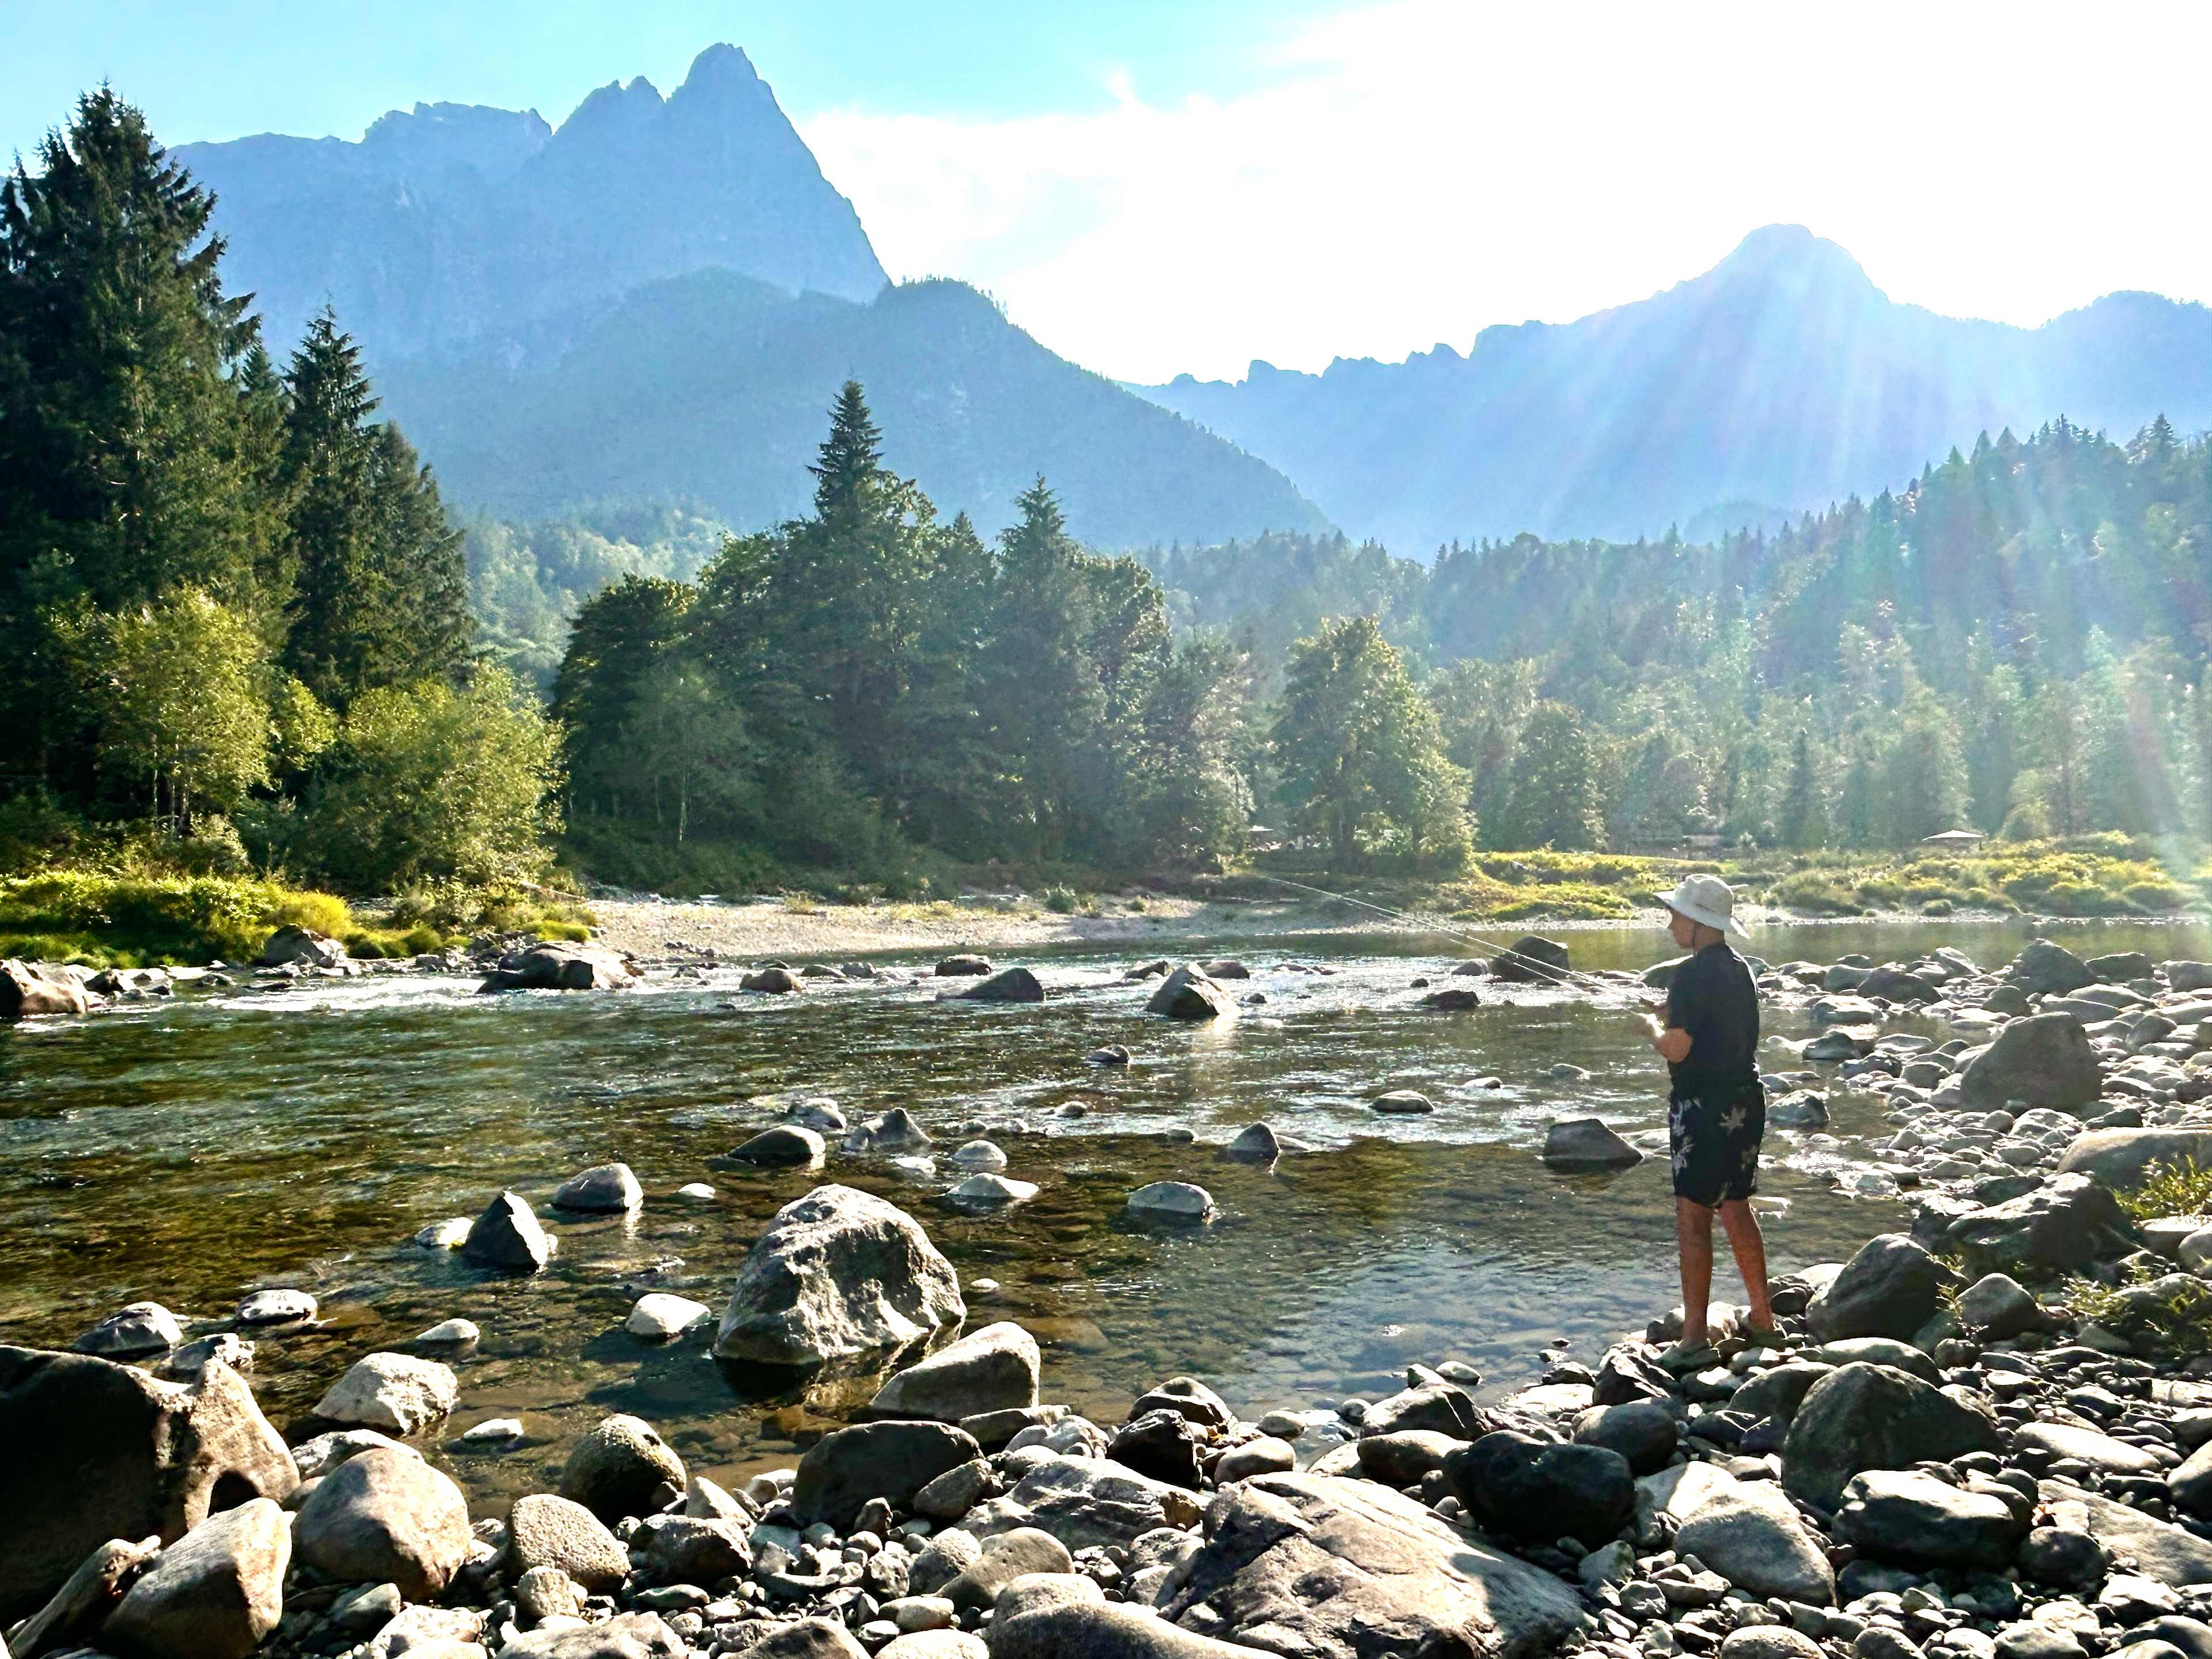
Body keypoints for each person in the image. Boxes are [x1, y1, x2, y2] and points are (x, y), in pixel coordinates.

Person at [1638, 873, 1775, 1369]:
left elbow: (1678, 1046)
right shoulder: (1741, 969)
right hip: (1746, 1101)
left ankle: (1694, 1336)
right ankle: (1764, 1321)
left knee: (1694, 1218)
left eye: (1676, 914)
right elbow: (1715, 1023)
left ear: (1698, 923)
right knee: (1736, 1205)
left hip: (1703, 1108)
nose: (1671, 922)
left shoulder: (1690, 973)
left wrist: (1651, 1027)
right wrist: (1673, 1011)